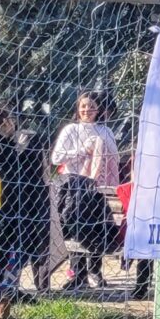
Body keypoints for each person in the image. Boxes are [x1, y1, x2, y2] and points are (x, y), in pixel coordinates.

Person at [0, 105, 45, 319]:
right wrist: (13, 144)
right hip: (0, 211)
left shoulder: (9, 144)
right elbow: (6, 170)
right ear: (1, 123)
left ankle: (5, 303)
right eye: (9, 120)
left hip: (18, 210)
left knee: (16, 257)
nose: (13, 123)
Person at [50, 90, 122, 289]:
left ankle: (95, 271)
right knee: (77, 224)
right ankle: (77, 273)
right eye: (83, 106)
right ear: (77, 108)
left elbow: (114, 159)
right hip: (76, 189)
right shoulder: (71, 130)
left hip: (99, 189)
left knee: (99, 225)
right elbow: (56, 158)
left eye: (91, 106)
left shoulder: (105, 131)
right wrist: (83, 151)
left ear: (99, 109)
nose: (87, 110)